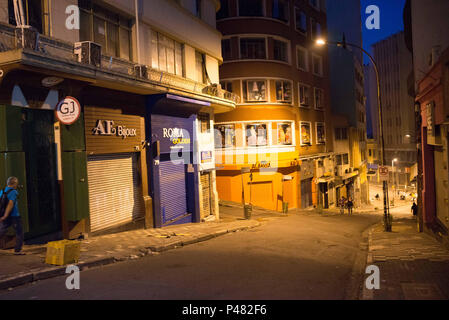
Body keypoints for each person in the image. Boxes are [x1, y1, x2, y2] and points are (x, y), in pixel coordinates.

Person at [0, 177, 24, 255]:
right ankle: (18, 250)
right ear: (14, 184)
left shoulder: (2, 191)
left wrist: (3, 215)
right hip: (14, 216)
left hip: (4, 215)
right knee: (19, 232)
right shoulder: (13, 192)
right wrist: (6, 215)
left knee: (1, 231)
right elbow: (11, 204)